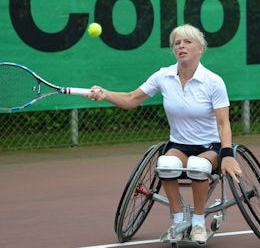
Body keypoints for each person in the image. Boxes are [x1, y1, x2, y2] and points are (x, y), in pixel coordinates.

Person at [86, 24, 242, 244]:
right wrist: (105, 94)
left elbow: (223, 123)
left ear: (200, 48)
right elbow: (131, 99)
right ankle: (179, 221)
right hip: (179, 145)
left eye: (188, 42)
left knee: (198, 166)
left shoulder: (213, 81)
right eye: (177, 43)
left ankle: (198, 223)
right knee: (165, 164)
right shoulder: (164, 76)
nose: (181, 46)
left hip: (209, 147)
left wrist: (227, 154)